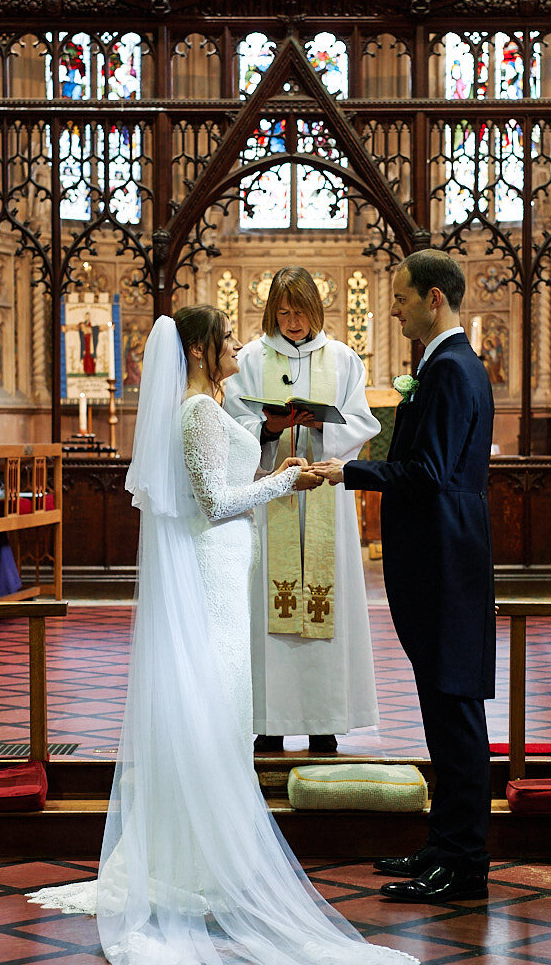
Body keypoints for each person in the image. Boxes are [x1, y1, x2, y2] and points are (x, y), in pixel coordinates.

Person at [28, 308, 412, 964]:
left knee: (224, 712)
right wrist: (286, 481)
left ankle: (198, 853)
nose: (240, 346)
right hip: (212, 571)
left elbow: (221, 489)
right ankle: (195, 862)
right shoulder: (198, 413)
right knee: (212, 710)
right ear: (205, 350)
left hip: (228, 568)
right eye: (229, 339)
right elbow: (213, 501)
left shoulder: (207, 405)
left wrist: (269, 480)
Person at [315, 249, 495, 904]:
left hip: (445, 556)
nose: (392, 307)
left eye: (401, 296)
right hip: (444, 551)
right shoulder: (446, 365)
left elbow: (428, 473)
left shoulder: (449, 369)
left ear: (435, 300)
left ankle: (465, 862)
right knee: (443, 707)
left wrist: (349, 471)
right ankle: (444, 843)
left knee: (455, 711)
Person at [222, 265, 381, 755]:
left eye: (301, 311)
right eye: (284, 311)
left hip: (325, 499)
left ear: (317, 309)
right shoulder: (249, 359)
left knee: (325, 604)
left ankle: (323, 723)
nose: (293, 321)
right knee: (267, 607)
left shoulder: (344, 359)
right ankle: (268, 722)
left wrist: (319, 426)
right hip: (270, 504)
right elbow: (231, 427)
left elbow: (361, 422)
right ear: (273, 311)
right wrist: (268, 430)